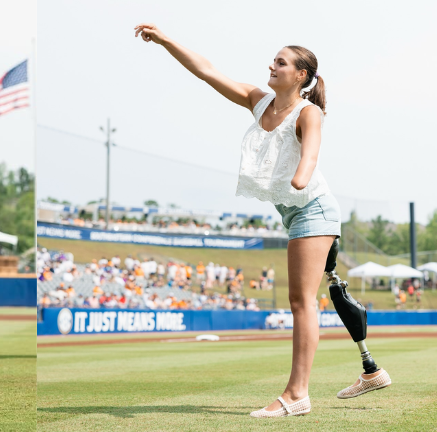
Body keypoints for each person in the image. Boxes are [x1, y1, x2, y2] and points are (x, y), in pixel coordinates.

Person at [135, 24, 389, 417]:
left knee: (300, 301)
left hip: (313, 209)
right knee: (310, 297)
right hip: (297, 213)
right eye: (274, 60)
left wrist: (301, 174)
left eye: (281, 62)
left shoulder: (309, 112)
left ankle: (296, 395)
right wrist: (166, 40)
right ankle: (369, 372)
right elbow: (207, 71)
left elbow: (312, 152)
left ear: (301, 75)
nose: (272, 65)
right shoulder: (260, 102)